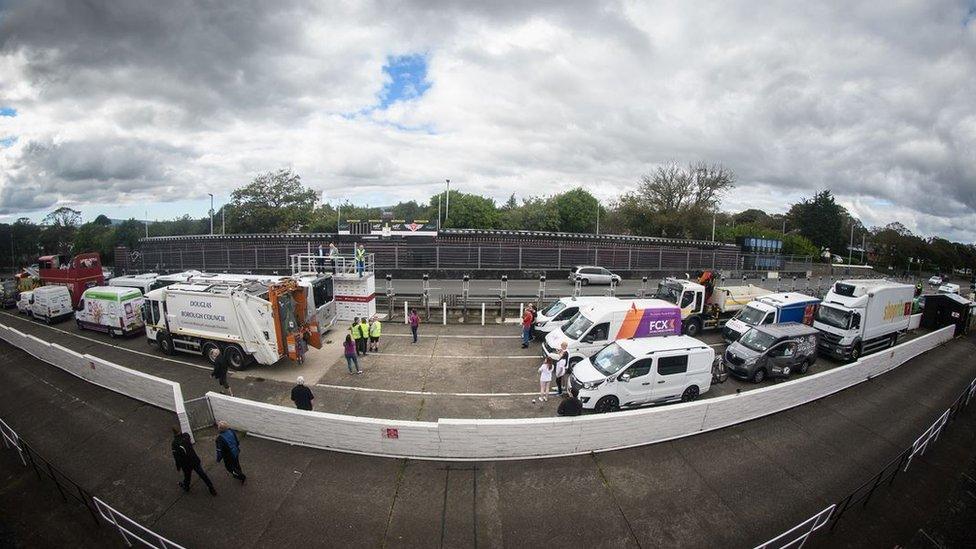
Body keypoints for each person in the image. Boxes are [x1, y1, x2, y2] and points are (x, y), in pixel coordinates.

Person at [171, 426, 216, 495]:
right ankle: (211, 487)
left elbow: (177, 457)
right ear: (180, 430)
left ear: (173, 434)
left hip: (186, 464)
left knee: (187, 476)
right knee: (202, 474)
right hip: (194, 460)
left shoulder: (174, 444)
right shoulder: (186, 436)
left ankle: (186, 487)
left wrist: (178, 466)